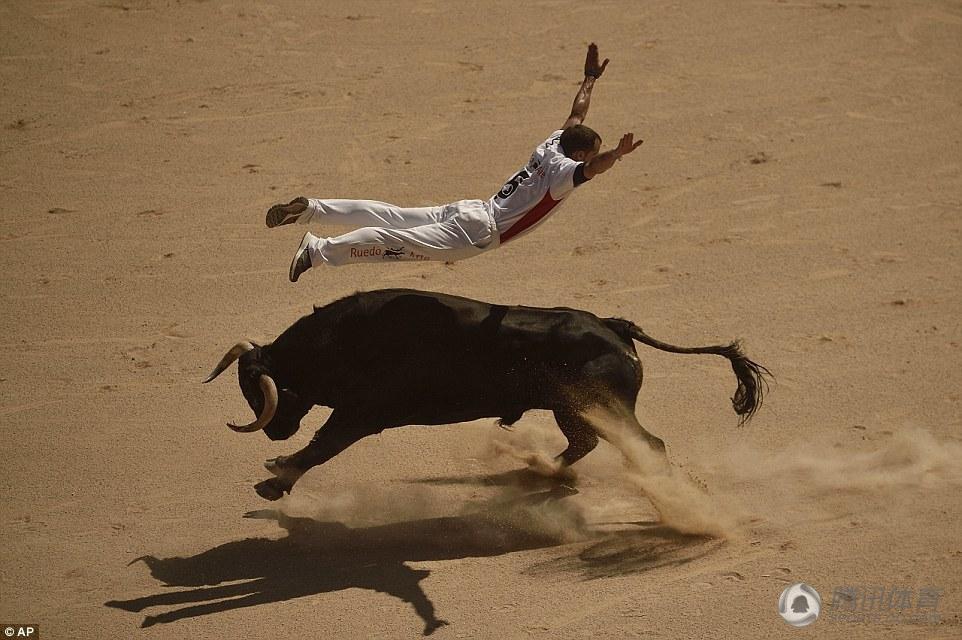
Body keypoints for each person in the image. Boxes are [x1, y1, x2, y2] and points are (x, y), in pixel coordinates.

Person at [271, 43, 644, 282]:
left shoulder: (553, 143)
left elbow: (576, 114)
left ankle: (312, 210)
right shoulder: (565, 173)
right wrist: (616, 155)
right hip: (479, 232)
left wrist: (590, 78)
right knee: (393, 240)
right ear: (579, 155)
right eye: (590, 153)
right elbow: (593, 168)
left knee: (390, 215)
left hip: (472, 209)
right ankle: (318, 250)